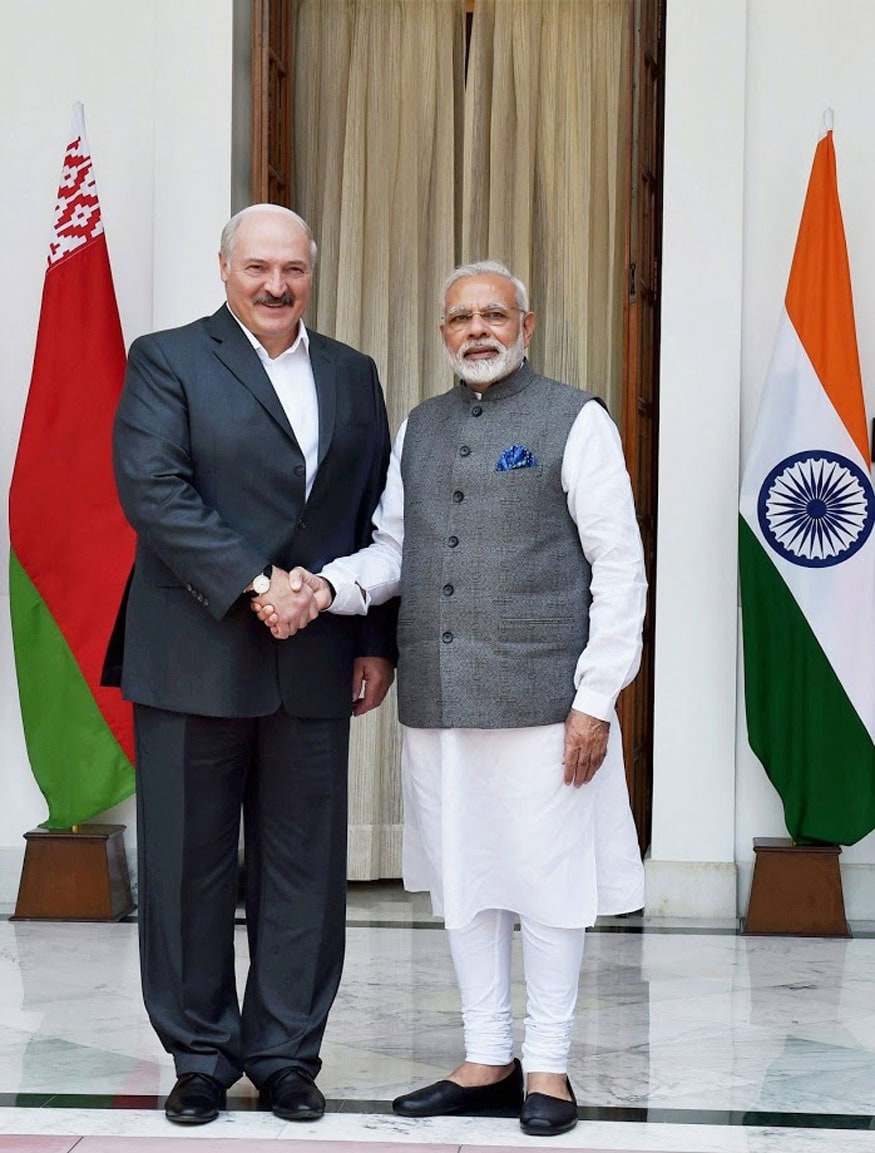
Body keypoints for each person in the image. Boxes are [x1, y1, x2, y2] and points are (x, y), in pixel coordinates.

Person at [253, 260, 647, 1137]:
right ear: (442, 333)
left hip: (547, 703)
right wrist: (324, 587)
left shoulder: (575, 419)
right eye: (462, 318)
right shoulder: (420, 427)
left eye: (494, 315)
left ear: (525, 326)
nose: (478, 331)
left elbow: (619, 567)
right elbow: (393, 550)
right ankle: (485, 1057)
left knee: (547, 886)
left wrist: (596, 698)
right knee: (465, 877)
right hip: (438, 699)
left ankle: (547, 1065)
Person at [103, 204, 396, 1126]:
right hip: (194, 651)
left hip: (317, 656)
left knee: (305, 867)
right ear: (225, 267)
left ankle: (284, 1056)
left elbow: (374, 512)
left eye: (293, 269)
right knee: (187, 867)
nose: (276, 285)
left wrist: (374, 638)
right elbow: (154, 489)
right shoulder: (167, 359)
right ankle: (199, 1056)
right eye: (258, 267)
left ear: (312, 272)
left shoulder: (352, 372)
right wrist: (256, 582)